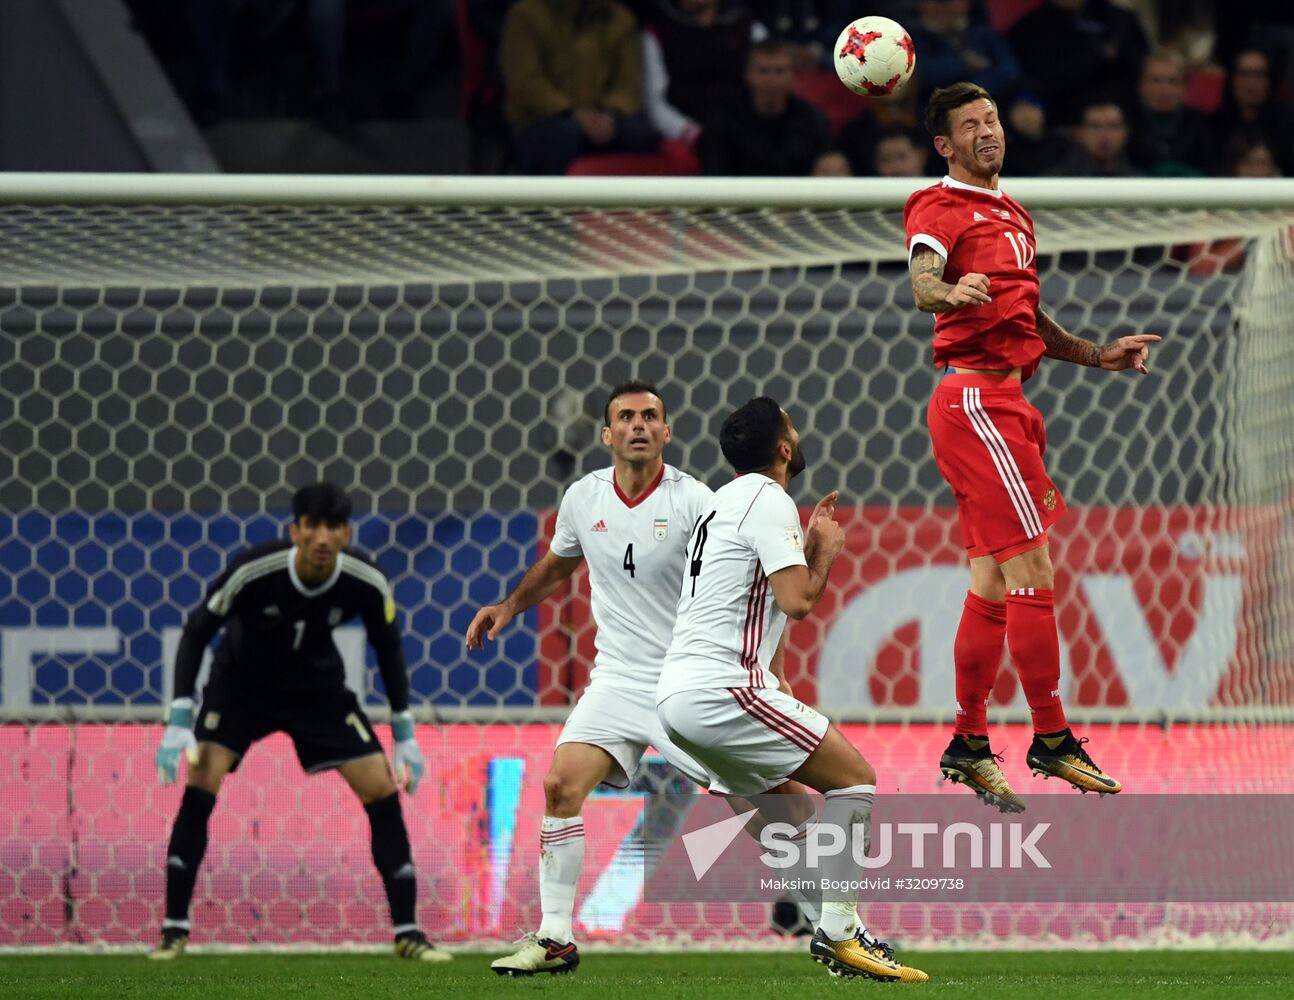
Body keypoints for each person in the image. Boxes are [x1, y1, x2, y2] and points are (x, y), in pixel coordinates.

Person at [904, 82, 1160, 810]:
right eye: (970, 125)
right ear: (945, 145)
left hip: (1007, 403)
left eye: (991, 119)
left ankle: (968, 742)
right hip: (976, 403)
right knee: (1034, 567)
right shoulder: (937, 205)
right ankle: (1050, 736)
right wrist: (946, 293)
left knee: (992, 580)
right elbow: (923, 279)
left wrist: (1097, 355)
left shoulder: (1014, 213)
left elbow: (1029, 315)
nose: (987, 131)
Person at [656, 397, 928, 984]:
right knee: (855, 779)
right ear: (784, 448)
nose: (799, 434)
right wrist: (825, 550)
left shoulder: (722, 502)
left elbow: (755, 595)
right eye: (792, 427)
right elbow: (797, 601)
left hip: (676, 699)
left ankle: (836, 931)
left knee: (789, 813)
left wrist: (802, 551)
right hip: (723, 689)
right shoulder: (770, 499)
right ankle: (840, 933)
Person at [150, 482, 448, 961]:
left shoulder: (365, 580)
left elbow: (388, 647)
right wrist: (180, 712)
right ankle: (173, 930)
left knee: (380, 786)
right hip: (241, 687)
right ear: (295, 531)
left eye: (333, 527)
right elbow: (197, 628)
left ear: (347, 534)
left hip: (317, 690)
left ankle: (408, 933)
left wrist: (404, 732)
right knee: (202, 774)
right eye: (312, 526)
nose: (322, 538)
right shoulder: (255, 570)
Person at [500, 0, 659, 174]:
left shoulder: (621, 19)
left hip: (607, 117)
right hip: (544, 118)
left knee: (640, 136)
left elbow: (629, 84)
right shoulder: (525, 15)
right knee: (563, 137)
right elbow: (526, 83)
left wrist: (611, 113)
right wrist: (573, 113)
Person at [640, 0, 766, 147]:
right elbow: (654, 102)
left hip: (744, 131)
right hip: (684, 135)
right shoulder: (657, 30)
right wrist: (693, 134)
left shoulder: (749, 26)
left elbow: (769, 84)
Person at [1007, 0, 1149, 127]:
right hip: (1066, 114)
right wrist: (1097, 57)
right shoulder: (1029, 29)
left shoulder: (1119, 19)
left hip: (1126, 109)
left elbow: (1142, 61)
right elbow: (1041, 79)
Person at [698, 39, 830, 176]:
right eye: (763, 71)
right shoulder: (723, 119)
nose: (771, 80)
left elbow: (826, 160)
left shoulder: (811, 119)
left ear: (793, 75)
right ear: (748, 75)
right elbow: (714, 171)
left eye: (779, 71)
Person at [907, 0, 1022, 101]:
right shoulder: (910, 38)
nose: (944, 7)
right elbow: (919, 75)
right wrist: (966, 65)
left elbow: (1010, 72)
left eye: (951, 1)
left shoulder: (985, 35)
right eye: (936, 1)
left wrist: (971, 86)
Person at [1126, 50, 1210, 176]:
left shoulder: (1199, 123)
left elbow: (1210, 171)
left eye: (1173, 81)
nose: (1164, 89)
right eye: (1156, 80)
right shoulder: (1125, 120)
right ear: (1141, 85)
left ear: (1185, 87)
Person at [1046, 99, 1139, 177]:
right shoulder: (1055, 183)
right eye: (1094, 126)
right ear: (1079, 133)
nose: (1104, 135)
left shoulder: (1139, 183)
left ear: (1126, 133)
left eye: (1113, 126)